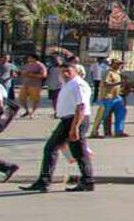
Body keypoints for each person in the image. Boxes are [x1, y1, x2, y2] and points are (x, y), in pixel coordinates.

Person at [19, 62, 95, 193]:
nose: (65, 73)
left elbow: (81, 107)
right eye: (62, 71)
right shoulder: (68, 84)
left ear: (75, 72)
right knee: (64, 150)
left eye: (68, 71)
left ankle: (47, 181)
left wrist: (74, 128)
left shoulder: (78, 84)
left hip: (75, 120)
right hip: (68, 120)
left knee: (60, 149)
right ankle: (46, 181)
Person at [90, 59, 127, 138]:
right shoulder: (108, 73)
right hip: (107, 97)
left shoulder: (117, 73)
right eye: (117, 64)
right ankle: (94, 132)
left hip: (116, 97)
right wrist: (119, 83)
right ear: (112, 64)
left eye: (120, 64)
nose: (119, 66)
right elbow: (106, 84)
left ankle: (119, 131)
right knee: (103, 115)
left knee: (121, 112)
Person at [18, 54, 47, 118]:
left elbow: (44, 75)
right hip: (25, 84)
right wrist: (21, 72)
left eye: (30, 58)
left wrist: (31, 75)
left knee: (35, 100)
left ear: (34, 58)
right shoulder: (27, 64)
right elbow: (21, 71)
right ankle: (27, 111)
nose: (28, 59)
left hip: (35, 85)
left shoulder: (40, 65)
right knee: (21, 98)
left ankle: (32, 112)